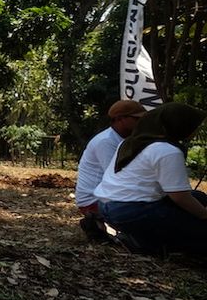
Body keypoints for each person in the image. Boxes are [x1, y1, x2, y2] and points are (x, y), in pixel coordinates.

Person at [94, 103, 207, 254]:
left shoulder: (132, 141)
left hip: (106, 206)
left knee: (199, 197)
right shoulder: (167, 151)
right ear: (182, 125)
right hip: (132, 211)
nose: (197, 130)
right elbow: (179, 197)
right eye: (195, 126)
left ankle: (139, 236)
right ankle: (144, 242)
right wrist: (203, 214)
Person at [75, 99, 146, 242]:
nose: (141, 123)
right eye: (137, 119)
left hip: (104, 196)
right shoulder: (107, 141)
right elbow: (118, 177)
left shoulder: (121, 140)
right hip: (94, 200)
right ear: (120, 119)